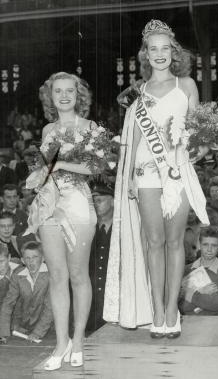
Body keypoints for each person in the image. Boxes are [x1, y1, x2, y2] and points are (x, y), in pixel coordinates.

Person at [104, 19, 209, 338]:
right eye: (154, 49)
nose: (160, 54)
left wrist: (201, 147)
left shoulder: (186, 85)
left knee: (175, 241)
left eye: (166, 48)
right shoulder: (140, 90)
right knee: (154, 242)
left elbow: (199, 127)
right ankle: (157, 310)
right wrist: (130, 178)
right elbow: (134, 133)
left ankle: (172, 309)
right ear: (145, 54)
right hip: (146, 171)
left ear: (173, 52)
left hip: (176, 172)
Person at [24, 72, 99, 370]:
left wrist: (60, 163)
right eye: (58, 91)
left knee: (78, 274)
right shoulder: (47, 129)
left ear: (78, 95)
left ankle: (78, 340)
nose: (64, 96)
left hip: (78, 205)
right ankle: (61, 342)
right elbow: (44, 168)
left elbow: (94, 167)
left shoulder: (90, 127)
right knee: (56, 276)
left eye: (70, 91)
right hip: (49, 204)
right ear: (50, 96)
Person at [0, 242, 53, 343]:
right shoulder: (18, 275)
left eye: (35, 257)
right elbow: (8, 304)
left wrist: (37, 333)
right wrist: (3, 333)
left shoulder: (51, 275)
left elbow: (50, 308)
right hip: (22, 329)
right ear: (22, 260)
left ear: (43, 258)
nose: (31, 261)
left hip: (48, 329)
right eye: (27, 258)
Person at [179, 226, 218, 316]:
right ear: (199, 245)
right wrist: (201, 291)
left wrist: (190, 294)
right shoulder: (187, 270)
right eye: (205, 244)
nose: (209, 249)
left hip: (215, 324)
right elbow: (182, 306)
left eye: (214, 245)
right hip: (188, 322)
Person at [87, 182, 114, 332]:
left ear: (112, 200)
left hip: (113, 298)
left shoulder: (122, 228)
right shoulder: (88, 227)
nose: (96, 205)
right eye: (93, 202)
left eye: (100, 200)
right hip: (91, 302)